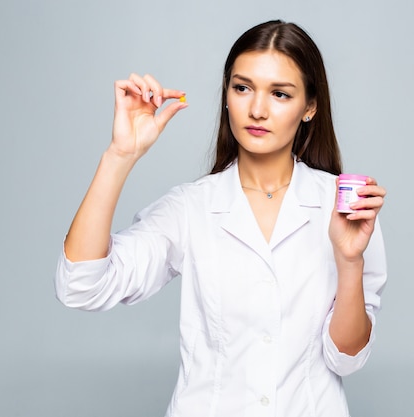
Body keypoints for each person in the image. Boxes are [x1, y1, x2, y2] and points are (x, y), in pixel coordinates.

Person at [55, 19, 387, 417]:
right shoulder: (190, 208)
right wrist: (119, 156)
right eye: (242, 88)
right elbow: (82, 286)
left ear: (310, 107)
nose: (258, 110)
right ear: (227, 95)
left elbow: (346, 359)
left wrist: (350, 261)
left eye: (280, 94)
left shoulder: (345, 206)